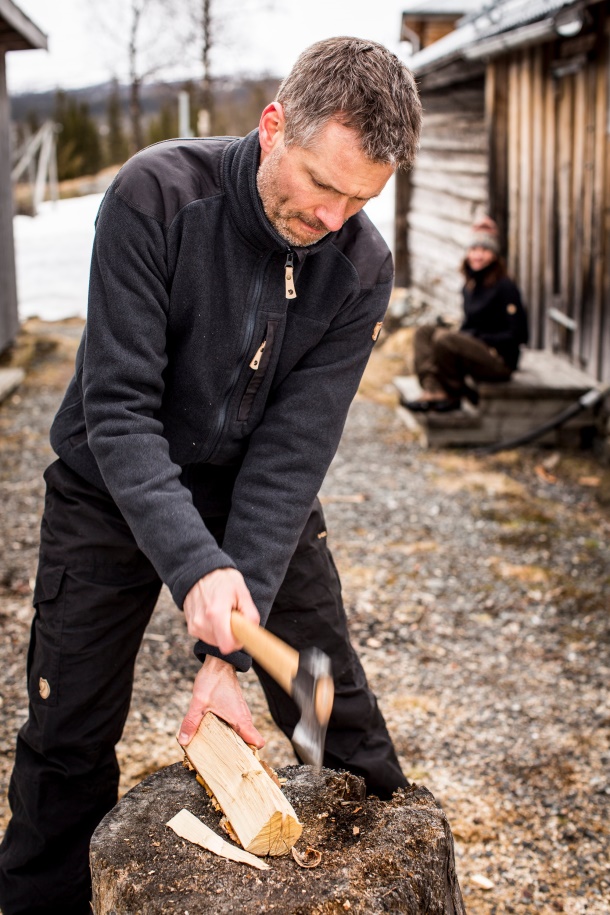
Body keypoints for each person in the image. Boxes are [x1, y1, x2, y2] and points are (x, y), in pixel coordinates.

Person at [0, 37, 422, 914]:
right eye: (322, 184)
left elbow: (294, 452)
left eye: (361, 198)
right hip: (110, 483)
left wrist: (225, 648)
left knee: (326, 699)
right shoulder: (155, 198)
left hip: (250, 487)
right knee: (68, 731)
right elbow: (117, 410)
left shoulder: (359, 267)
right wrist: (197, 570)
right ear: (273, 127)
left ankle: (397, 866)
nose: (336, 216)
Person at [405, 216, 528, 412]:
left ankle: (454, 394)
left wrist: (478, 338)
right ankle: (434, 390)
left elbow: (520, 334)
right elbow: (470, 325)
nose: (478, 255)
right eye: (474, 249)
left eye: (484, 250)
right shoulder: (470, 285)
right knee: (424, 332)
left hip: (499, 360)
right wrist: (466, 336)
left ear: (494, 255)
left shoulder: (505, 287)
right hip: (476, 349)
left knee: (445, 339)